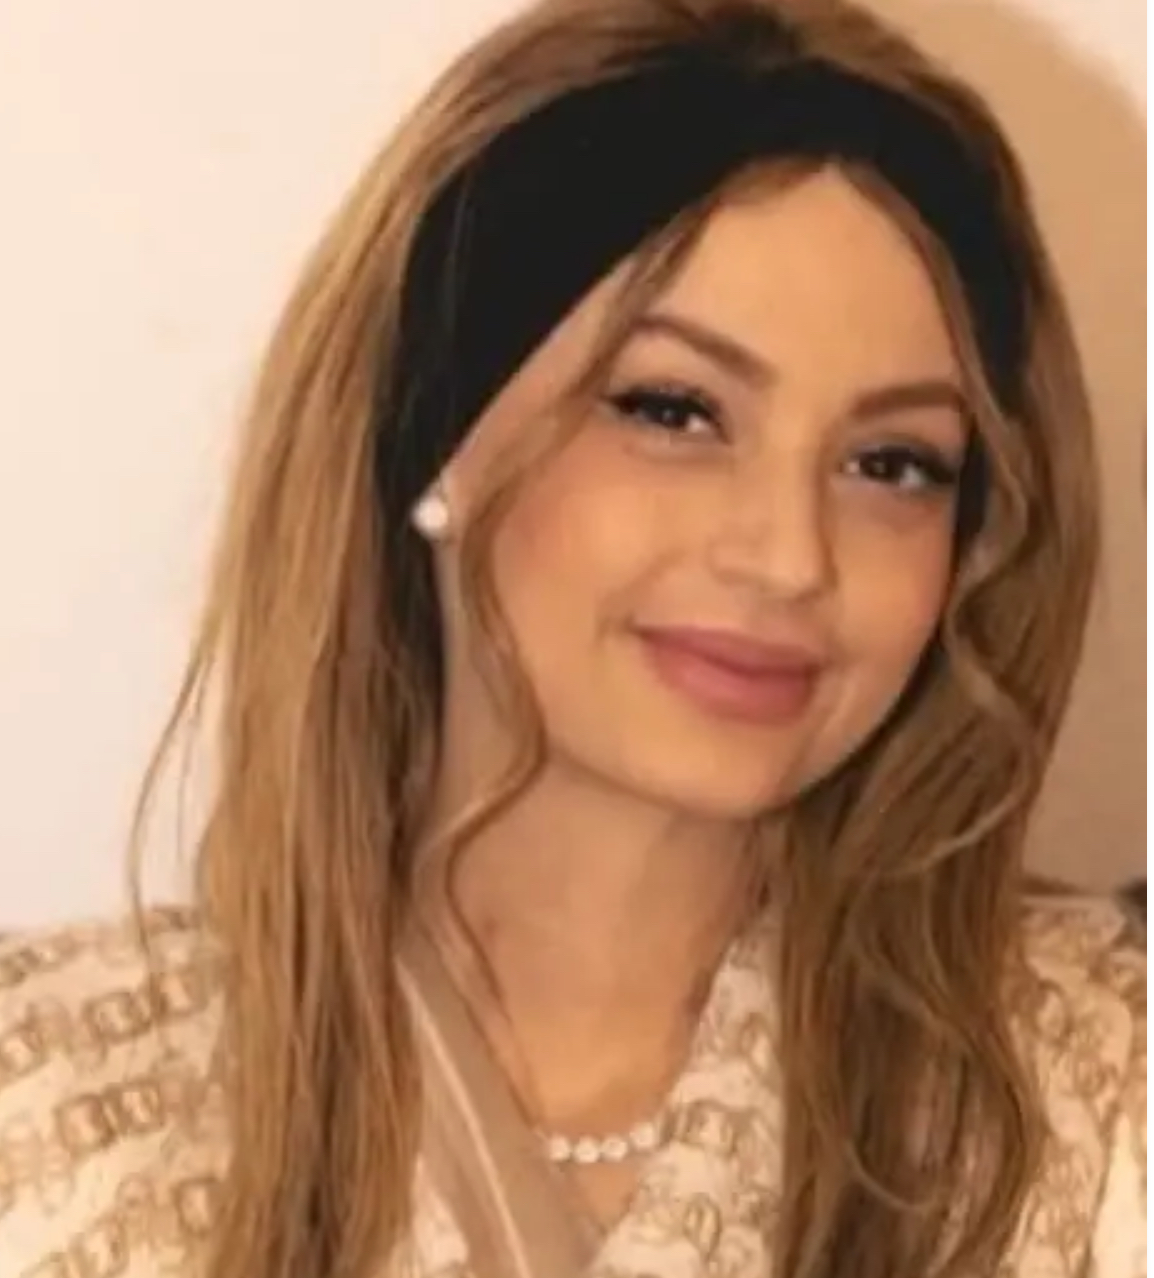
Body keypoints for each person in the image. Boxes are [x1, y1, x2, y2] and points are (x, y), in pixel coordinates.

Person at [0, 0, 1144, 1275]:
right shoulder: (41, 1114)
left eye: (891, 463)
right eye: (672, 410)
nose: (788, 556)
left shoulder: (1101, 1091)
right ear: (428, 432)